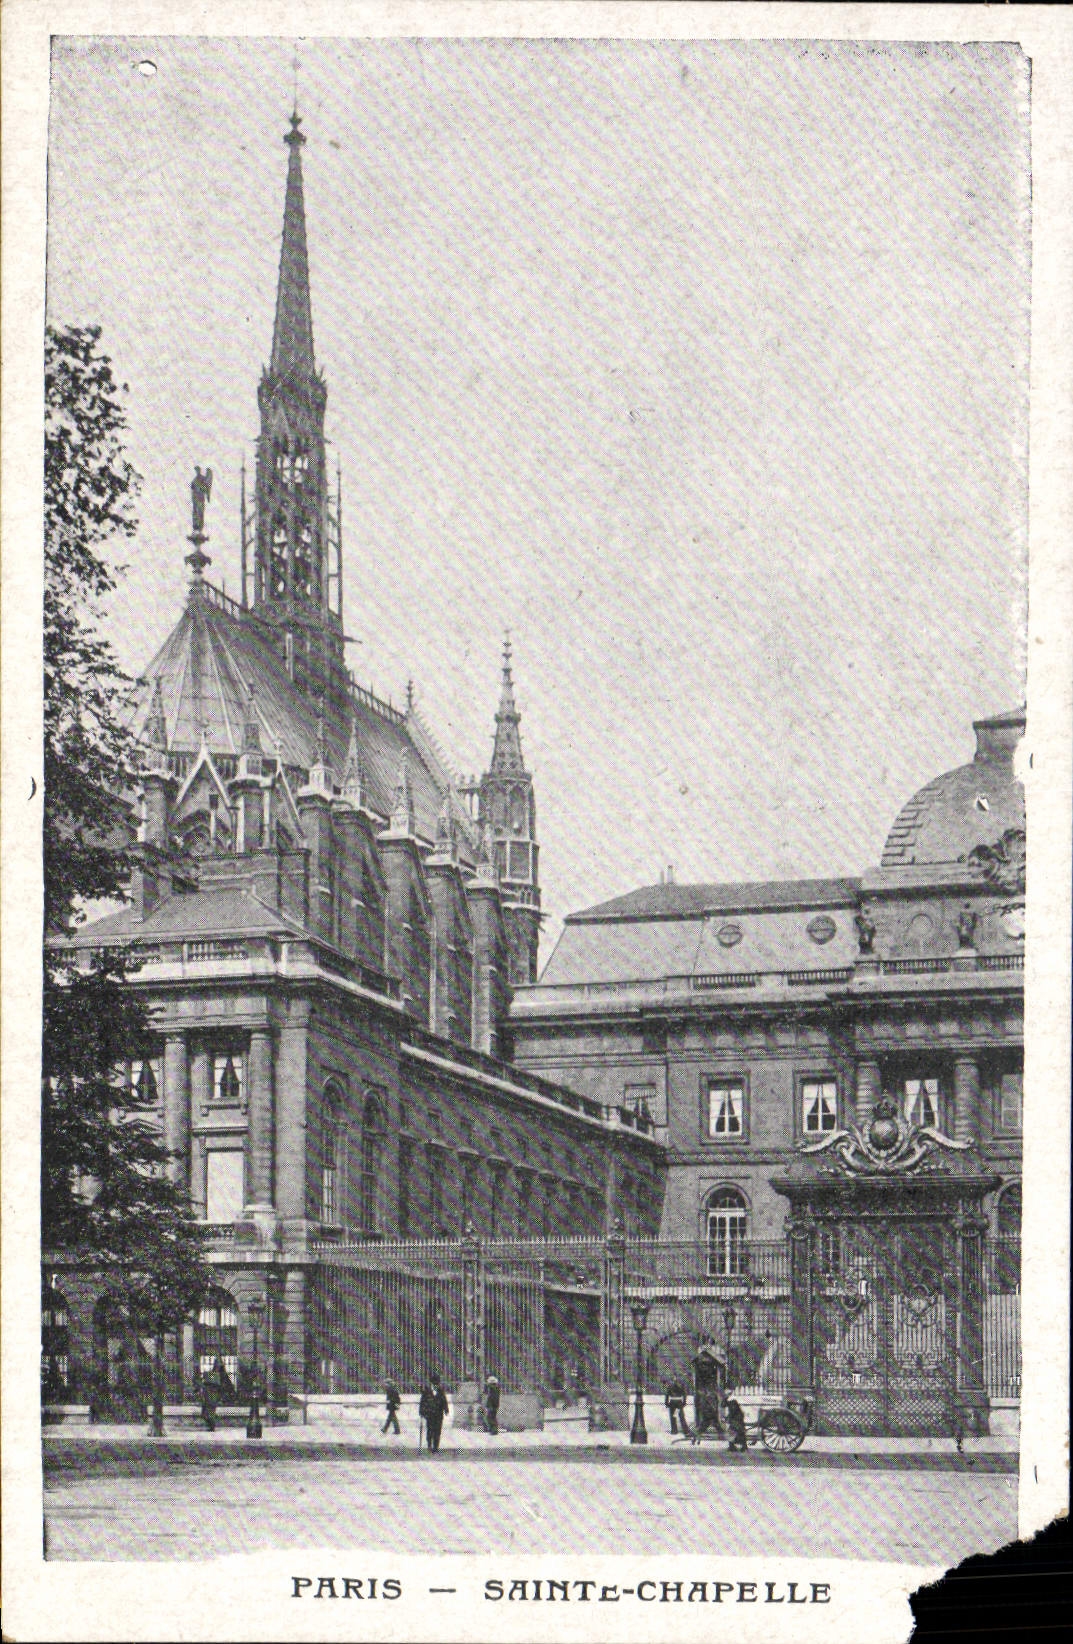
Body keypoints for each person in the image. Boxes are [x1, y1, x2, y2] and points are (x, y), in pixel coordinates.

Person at [419, 1372, 450, 1453]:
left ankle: (436, 1447)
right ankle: (429, 1444)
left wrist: (446, 1409)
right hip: (429, 1414)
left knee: (437, 1431)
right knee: (430, 1430)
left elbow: (444, 1401)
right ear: (432, 1383)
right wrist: (421, 1411)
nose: (436, 1385)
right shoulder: (426, 1391)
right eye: (434, 1383)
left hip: (439, 1414)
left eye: (437, 1383)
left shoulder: (441, 1391)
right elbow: (423, 1401)